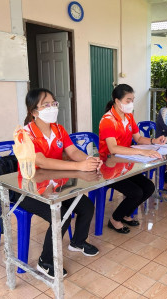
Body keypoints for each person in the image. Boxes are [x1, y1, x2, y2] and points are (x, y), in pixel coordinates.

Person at [18, 88, 102, 279]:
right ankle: (45, 261)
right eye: (45, 105)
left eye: (53, 104)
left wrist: (89, 160)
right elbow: (40, 161)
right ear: (33, 111)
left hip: (55, 186)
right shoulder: (25, 133)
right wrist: (79, 166)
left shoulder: (58, 129)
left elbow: (72, 152)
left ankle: (78, 242)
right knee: (61, 215)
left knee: (86, 206)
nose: (52, 108)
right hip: (29, 190)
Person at [99, 84, 167, 234]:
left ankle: (124, 214)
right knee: (135, 192)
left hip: (125, 163)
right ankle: (115, 219)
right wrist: (141, 153)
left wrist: (154, 142)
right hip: (109, 165)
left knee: (148, 187)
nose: (131, 104)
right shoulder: (107, 120)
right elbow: (113, 149)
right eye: (128, 100)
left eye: (132, 100)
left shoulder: (129, 116)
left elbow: (138, 138)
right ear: (117, 101)